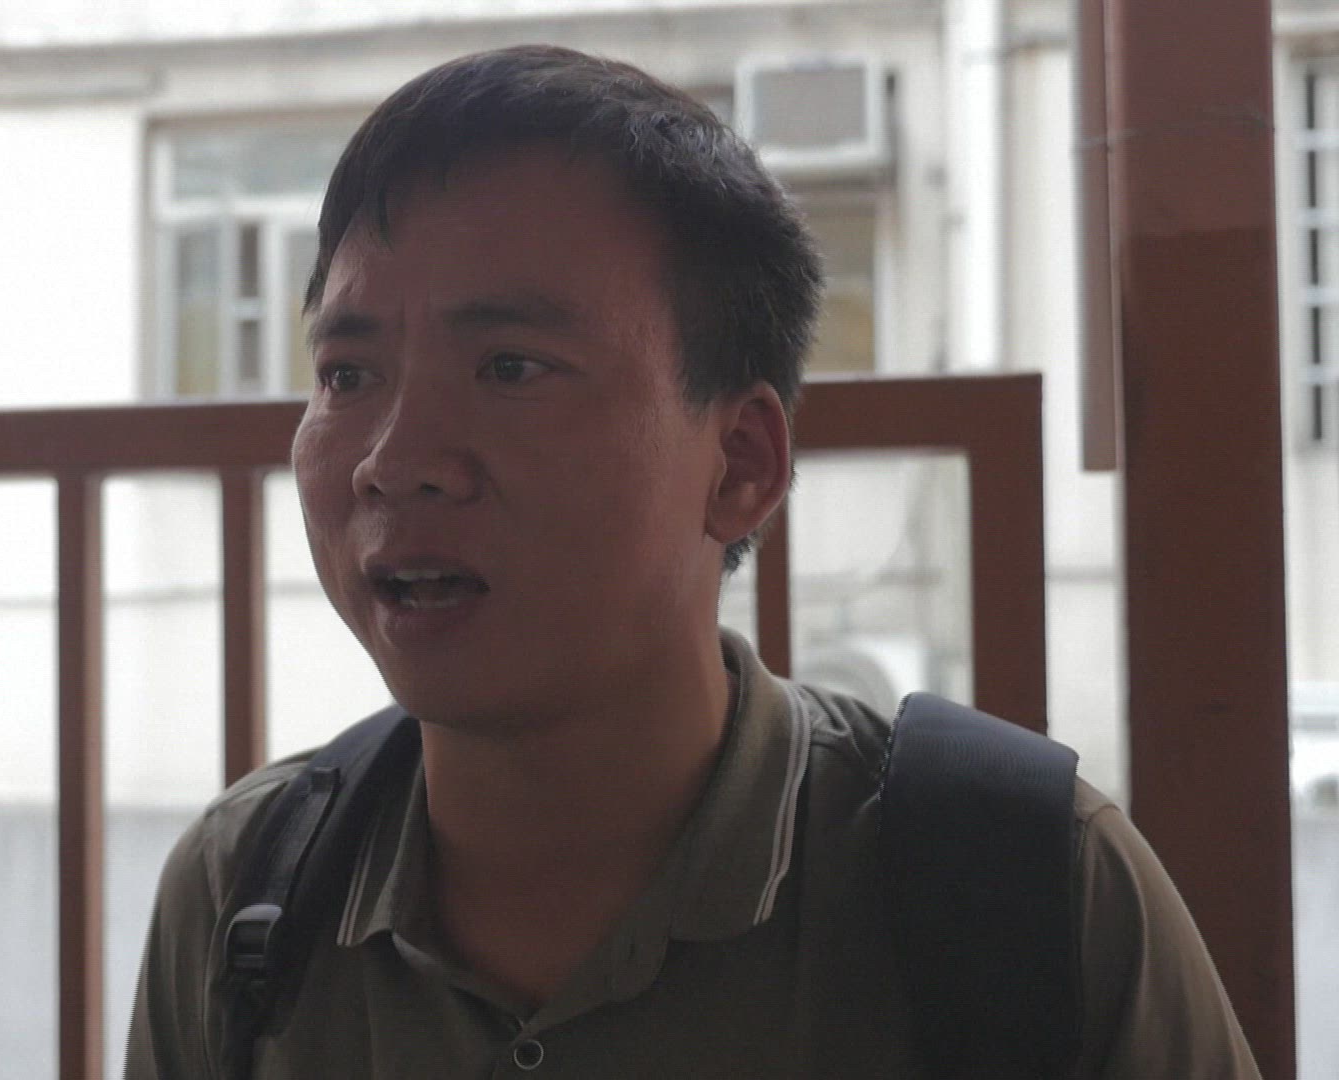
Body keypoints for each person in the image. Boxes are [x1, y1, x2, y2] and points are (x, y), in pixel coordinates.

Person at [125, 44, 1260, 1078]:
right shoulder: (245, 899)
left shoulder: (1022, 886)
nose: (394, 460)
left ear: (740, 464)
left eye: (511, 367)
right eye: (347, 375)